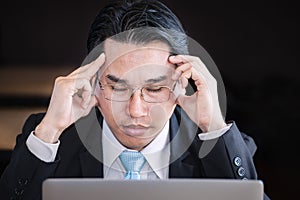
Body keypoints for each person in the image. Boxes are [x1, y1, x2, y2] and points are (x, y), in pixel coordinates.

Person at [0, 0, 270, 199]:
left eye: (154, 89)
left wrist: (213, 125)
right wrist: (50, 131)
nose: (136, 112)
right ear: (94, 80)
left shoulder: (222, 148)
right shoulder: (49, 143)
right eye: (117, 88)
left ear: (180, 82)